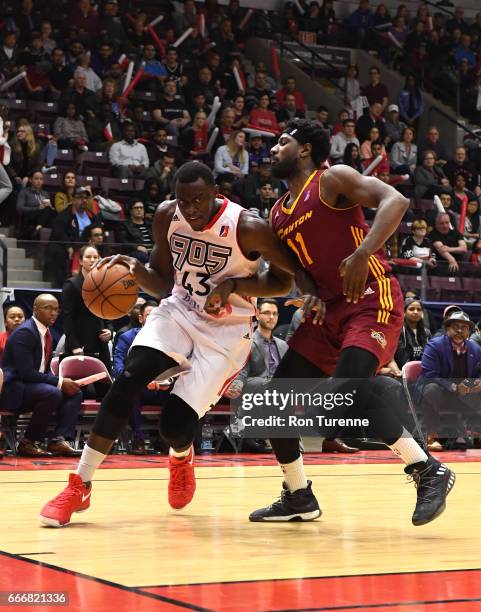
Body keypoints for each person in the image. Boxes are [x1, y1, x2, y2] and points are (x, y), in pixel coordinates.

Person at [39, 161, 316, 527]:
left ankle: (181, 456)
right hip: (179, 312)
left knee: (174, 427)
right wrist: (135, 272)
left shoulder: (248, 227)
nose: (191, 208)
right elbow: (161, 282)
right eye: (184, 200)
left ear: (217, 192)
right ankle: (80, 484)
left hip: (227, 330)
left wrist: (234, 287)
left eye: (199, 199)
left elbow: (283, 281)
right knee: (129, 379)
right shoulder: (169, 216)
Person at [248, 119, 455, 526]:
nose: (274, 149)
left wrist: (362, 253)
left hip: (370, 299)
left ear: (305, 150)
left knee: (349, 393)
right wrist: (307, 291)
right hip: (328, 311)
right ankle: (298, 496)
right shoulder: (276, 212)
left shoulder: (333, 179)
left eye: (283, 142)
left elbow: (395, 200)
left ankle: (428, 470)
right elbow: (296, 268)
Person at [0, 294, 82, 457]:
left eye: (56, 310)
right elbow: (26, 373)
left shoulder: (45, 332)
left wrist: (65, 382)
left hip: (30, 387)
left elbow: (41, 370)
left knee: (75, 393)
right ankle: (28, 442)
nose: (53, 313)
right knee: (52, 392)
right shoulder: (25, 332)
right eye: (48, 308)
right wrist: (59, 382)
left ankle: (58, 440)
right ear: (35, 310)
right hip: (14, 390)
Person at [416, 310, 481, 452]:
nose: (459, 330)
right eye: (455, 326)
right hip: (438, 393)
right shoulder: (434, 346)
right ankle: (431, 437)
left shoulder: (476, 349)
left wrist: (478, 383)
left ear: (469, 331)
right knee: (432, 389)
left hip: (463, 395)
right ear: (447, 328)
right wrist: (454, 387)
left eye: (464, 328)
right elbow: (429, 375)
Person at [113, 300, 165, 455]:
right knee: (131, 393)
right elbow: (118, 368)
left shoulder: (170, 338)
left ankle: (168, 439)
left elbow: (178, 365)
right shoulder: (127, 337)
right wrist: (141, 381)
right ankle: (138, 439)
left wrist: (168, 380)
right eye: (149, 315)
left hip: (161, 387)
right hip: (138, 388)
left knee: (180, 392)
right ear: (141, 318)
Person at [62, 245, 112, 371]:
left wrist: (109, 331)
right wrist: (74, 346)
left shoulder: (103, 284)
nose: (92, 260)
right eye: (88, 257)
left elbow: (107, 313)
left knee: (105, 387)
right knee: (78, 388)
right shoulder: (71, 285)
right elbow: (67, 318)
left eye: (95, 257)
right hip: (80, 345)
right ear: (80, 261)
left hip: (100, 345)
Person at [394, 298, 432, 368]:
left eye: (419, 310)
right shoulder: (399, 331)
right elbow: (401, 359)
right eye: (411, 309)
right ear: (404, 312)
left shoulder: (427, 332)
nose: (415, 312)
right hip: (403, 371)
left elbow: (429, 356)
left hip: (423, 370)